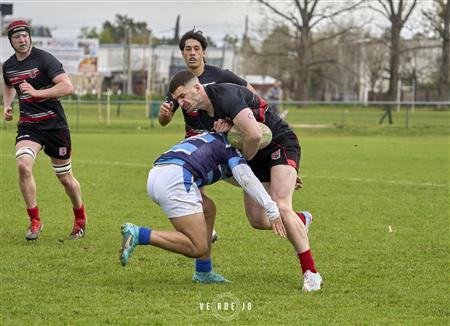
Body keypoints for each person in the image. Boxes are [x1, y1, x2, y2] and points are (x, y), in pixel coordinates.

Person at [168, 70, 322, 291]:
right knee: (257, 220)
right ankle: (300, 220)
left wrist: (256, 168)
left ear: (197, 88)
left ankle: (311, 273)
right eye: (177, 100)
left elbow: (255, 135)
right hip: (253, 154)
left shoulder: (225, 96)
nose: (181, 104)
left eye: (183, 96)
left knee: (280, 206)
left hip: (279, 145)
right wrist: (226, 137)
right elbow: (225, 144)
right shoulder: (199, 115)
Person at [120, 132, 287, 283]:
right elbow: (246, 180)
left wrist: (278, 181)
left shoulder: (213, 137)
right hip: (176, 179)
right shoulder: (231, 150)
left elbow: (240, 178)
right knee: (197, 247)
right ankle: (138, 234)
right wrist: (271, 208)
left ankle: (204, 272)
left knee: (208, 208)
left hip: (158, 173)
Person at [159, 29, 257, 244]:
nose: (192, 53)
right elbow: (164, 120)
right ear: (182, 54)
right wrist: (163, 114)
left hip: (223, 140)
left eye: (196, 49)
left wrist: (244, 119)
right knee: (191, 187)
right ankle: (204, 231)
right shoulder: (180, 82)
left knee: (252, 181)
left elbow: (251, 94)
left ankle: (283, 205)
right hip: (195, 144)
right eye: (187, 49)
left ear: (204, 53)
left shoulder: (221, 75)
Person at [2, 20, 87, 240]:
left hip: (55, 126)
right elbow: (9, 84)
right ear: (10, 41)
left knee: (65, 178)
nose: (22, 40)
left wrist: (37, 93)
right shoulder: (9, 66)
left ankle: (80, 218)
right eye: (17, 37)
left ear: (29, 37)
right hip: (30, 125)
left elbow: (67, 87)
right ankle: (35, 221)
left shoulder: (44, 59)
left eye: (24, 36)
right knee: (23, 165)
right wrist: (7, 105)